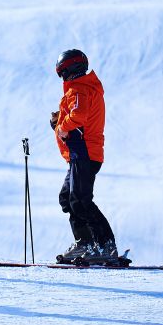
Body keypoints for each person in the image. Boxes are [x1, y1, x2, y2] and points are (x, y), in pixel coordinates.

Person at [51, 49, 118, 264]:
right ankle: (85, 243)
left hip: (85, 153)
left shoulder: (79, 88)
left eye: (63, 73)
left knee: (80, 200)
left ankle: (104, 245)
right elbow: (79, 118)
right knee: (68, 198)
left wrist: (62, 126)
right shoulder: (82, 89)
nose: (62, 78)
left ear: (71, 69)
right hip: (80, 154)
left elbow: (79, 115)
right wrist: (59, 123)